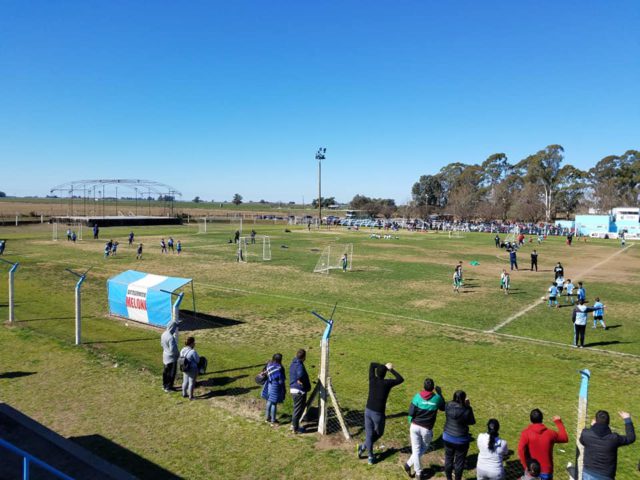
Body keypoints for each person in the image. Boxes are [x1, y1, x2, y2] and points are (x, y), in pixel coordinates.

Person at [357, 362, 404, 465]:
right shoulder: (387, 383)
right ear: (385, 374)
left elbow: (372, 364)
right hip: (378, 414)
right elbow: (400, 379)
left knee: (369, 435)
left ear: (377, 373)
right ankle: (366, 449)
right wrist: (390, 369)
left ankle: (367, 452)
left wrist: (382, 366)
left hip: (368, 410)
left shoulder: (372, 380)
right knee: (379, 433)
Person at [403, 378, 445, 479]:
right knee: (424, 447)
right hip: (426, 429)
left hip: (414, 426)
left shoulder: (417, 397)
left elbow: (411, 411)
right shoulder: (437, 398)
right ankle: (418, 472)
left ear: (424, 387)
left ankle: (409, 465)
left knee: (416, 450)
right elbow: (443, 408)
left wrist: (410, 422)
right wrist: (440, 394)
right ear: (433, 388)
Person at [580, 410, 635, 480]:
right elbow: (631, 438)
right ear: (608, 422)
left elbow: (583, 441)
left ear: (595, 420)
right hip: (605, 476)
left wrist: (592, 427)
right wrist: (627, 419)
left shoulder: (586, 434)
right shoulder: (614, 439)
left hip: (588, 473)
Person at [518, 408, 568, 479]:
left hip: (532, 470)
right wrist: (558, 422)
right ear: (542, 419)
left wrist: (525, 466)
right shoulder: (550, 433)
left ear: (531, 419)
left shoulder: (526, 433)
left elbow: (521, 450)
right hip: (546, 471)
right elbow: (564, 438)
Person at [443, 390, 476, 480]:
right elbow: (472, 422)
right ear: (464, 399)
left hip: (447, 436)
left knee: (448, 459)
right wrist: (468, 406)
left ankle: (449, 478)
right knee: (459, 462)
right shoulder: (466, 409)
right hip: (461, 440)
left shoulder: (448, 405)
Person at [289, 349, 311, 434]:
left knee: (297, 408)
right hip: (299, 390)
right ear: (304, 357)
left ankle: (294, 425)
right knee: (297, 410)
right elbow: (300, 374)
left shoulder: (293, 363)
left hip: (293, 389)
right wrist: (301, 381)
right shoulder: (299, 365)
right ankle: (295, 428)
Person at [261, 353, 286, 425]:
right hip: (276, 386)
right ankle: (273, 420)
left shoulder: (269, 365)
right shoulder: (280, 368)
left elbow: (266, 373)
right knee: (274, 403)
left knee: (269, 401)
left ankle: (267, 418)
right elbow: (281, 380)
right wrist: (283, 389)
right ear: (280, 360)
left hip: (269, 384)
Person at [161, 321, 179, 392]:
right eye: (174, 328)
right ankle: (169, 387)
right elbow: (173, 350)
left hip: (165, 356)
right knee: (171, 373)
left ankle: (164, 385)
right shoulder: (171, 338)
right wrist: (178, 354)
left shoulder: (163, 334)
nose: (175, 330)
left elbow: (161, 344)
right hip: (171, 358)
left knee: (165, 372)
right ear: (172, 327)